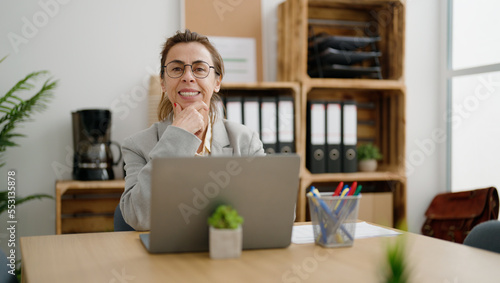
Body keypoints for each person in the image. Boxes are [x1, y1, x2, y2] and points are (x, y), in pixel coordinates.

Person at [120, 30, 265, 231]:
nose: (188, 77)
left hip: (228, 251)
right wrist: (178, 137)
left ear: (217, 82)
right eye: (177, 69)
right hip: (167, 257)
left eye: (199, 69)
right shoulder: (137, 146)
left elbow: (276, 210)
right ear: (163, 82)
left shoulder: (245, 141)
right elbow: (139, 217)